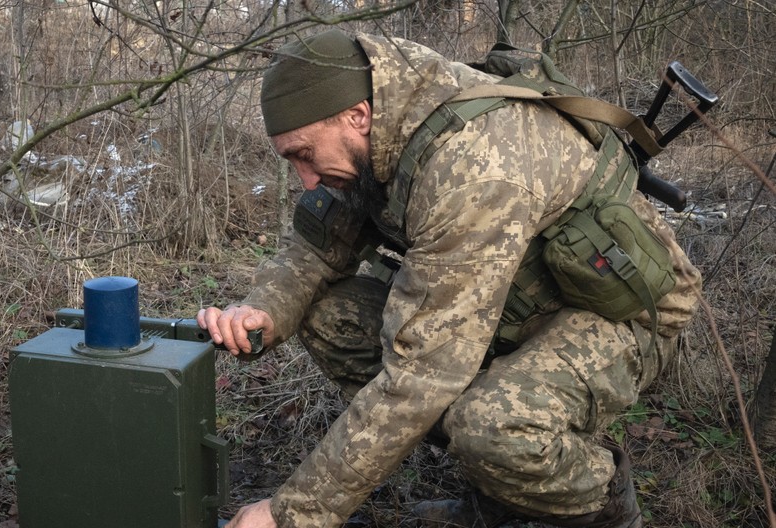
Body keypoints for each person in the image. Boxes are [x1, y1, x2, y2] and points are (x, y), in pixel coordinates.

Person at [197, 28, 701, 528]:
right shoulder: (380, 130)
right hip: (516, 303)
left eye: (305, 155)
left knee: (491, 426)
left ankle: (607, 507)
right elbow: (314, 247)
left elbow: (420, 376)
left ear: (357, 116)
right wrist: (262, 307)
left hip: (622, 315)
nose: (305, 179)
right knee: (331, 317)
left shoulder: (472, 169)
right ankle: (498, 495)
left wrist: (292, 516)